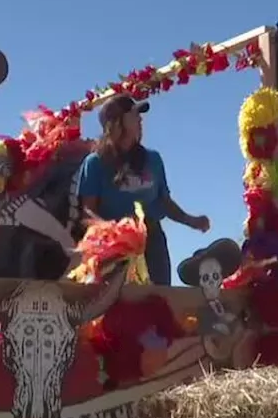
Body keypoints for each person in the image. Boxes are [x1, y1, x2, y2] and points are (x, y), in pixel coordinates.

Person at [77, 95, 209, 285]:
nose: (140, 119)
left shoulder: (153, 159)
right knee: (117, 304)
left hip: (152, 240)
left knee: (157, 298)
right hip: (113, 246)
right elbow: (88, 212)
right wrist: (111, 239)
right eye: (134, 115)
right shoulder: (95, 163)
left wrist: (192, 221)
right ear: (116, 122)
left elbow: (165, 202)